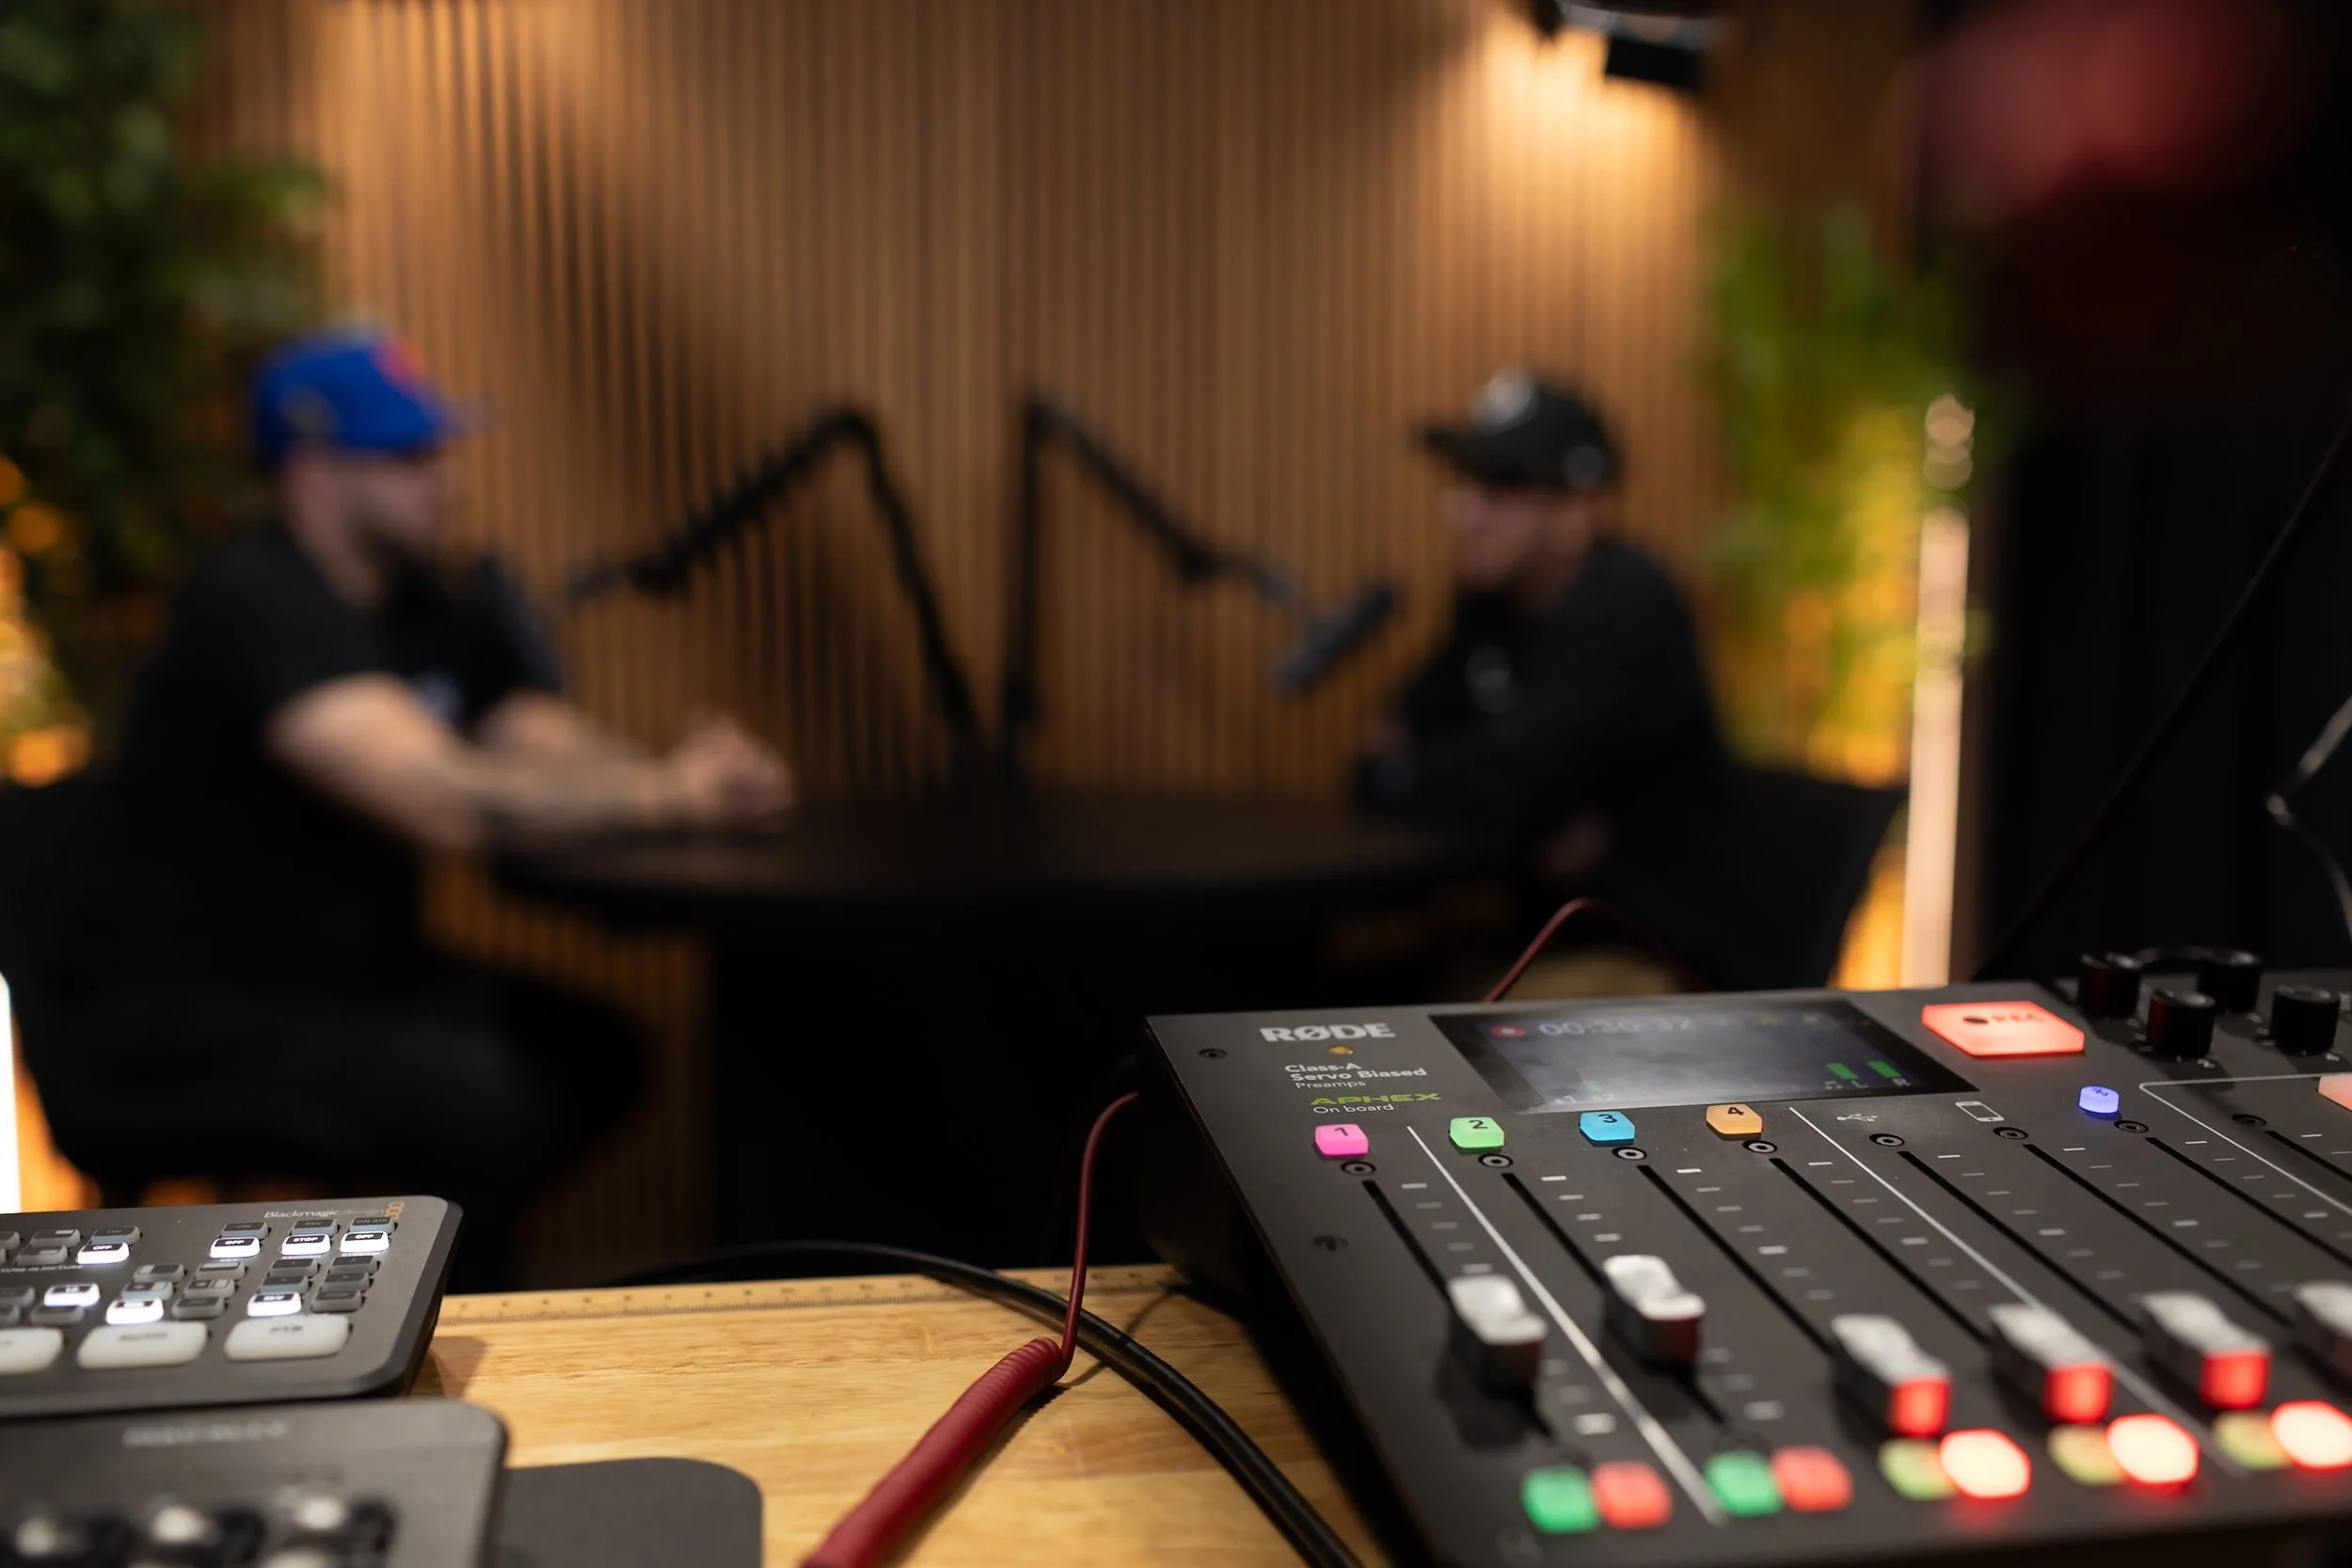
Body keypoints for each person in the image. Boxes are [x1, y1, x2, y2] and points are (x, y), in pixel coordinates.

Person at [58, 328, 792, 1286]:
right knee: (484, 1096)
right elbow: (439, 799)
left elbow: (534, 734)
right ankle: (431, 1328)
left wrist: (684, 773)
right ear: (315, 473)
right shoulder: (257, 598)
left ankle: (437, 1294)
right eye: (407, 457)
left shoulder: (423, 597)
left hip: (354, 978)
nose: (442, 479)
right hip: (196, 1002)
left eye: (438, 450)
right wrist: (668, 796)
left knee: (597, 1050)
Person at [1357, 371, 1764, 991]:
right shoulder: (1489, 601)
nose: (1460, 510)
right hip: (1526, 934)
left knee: (1434, 1034)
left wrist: (1430, 771)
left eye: (1498, 487)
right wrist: (1423, 772)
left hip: (1651, 960)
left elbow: (1512, 784)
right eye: (1462, 481)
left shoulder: (1632, 607)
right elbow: (1391, 744)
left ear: (1581, 509)